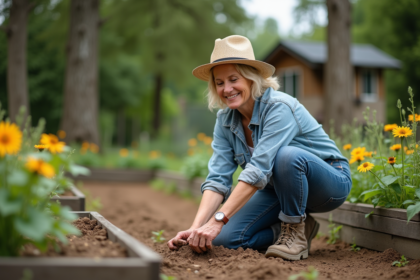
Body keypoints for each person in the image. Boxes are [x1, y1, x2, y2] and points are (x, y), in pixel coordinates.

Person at [167, 35, 351, 260]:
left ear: (251, 78)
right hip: (276, 189)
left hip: (328, 184)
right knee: (225, 239)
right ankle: (295, 228)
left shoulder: (279, 107)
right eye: (220, 82)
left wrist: (218, 219)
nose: (227, 89)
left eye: (234, 79)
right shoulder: (225, 120)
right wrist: (196, 228)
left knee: (286, 156)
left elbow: (258, 169)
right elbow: (217, 179)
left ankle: (294, 232)